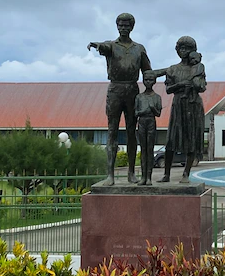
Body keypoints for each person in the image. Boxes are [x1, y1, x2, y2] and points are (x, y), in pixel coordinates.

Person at [87, 13, 152, 185]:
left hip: (132, 89)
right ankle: (110, 175)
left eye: (126, 25)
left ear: (132, 27)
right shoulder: (111, 45)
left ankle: (131, 172)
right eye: (120, 25)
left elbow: (148, 72)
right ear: (117, 26)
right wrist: (96, 44)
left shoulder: (139, 48)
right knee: (112, 131)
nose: (123, 28)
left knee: (132, 132)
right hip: (115, 89)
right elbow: (104, 47)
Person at [152, 36, 206, 183]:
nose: (184, 51)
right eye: (181, 48)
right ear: (177, 50)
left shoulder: (198, 67)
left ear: (193, 51)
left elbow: (202, 87)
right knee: (171, 140)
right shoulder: (173, 69)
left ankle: (186, 174)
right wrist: (181, 85)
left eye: (187, 49)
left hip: (193, 105)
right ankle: (166, 174)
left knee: (191, 139)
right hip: (178, 105)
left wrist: (194, 82)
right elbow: (169, 89)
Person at [134, 74, 162, 185]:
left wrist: (153, 108)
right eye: (146, 80)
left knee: (150, 150)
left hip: (151, 121)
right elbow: (135, 112)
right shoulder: (139, 97)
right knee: (143, 150)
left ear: (154, 81)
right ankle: (143, 177)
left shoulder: (157, 97)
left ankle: (149, 177)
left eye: (151, 79)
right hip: (142, 122)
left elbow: (158, 113)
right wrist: (143, 111)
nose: (148, 82)